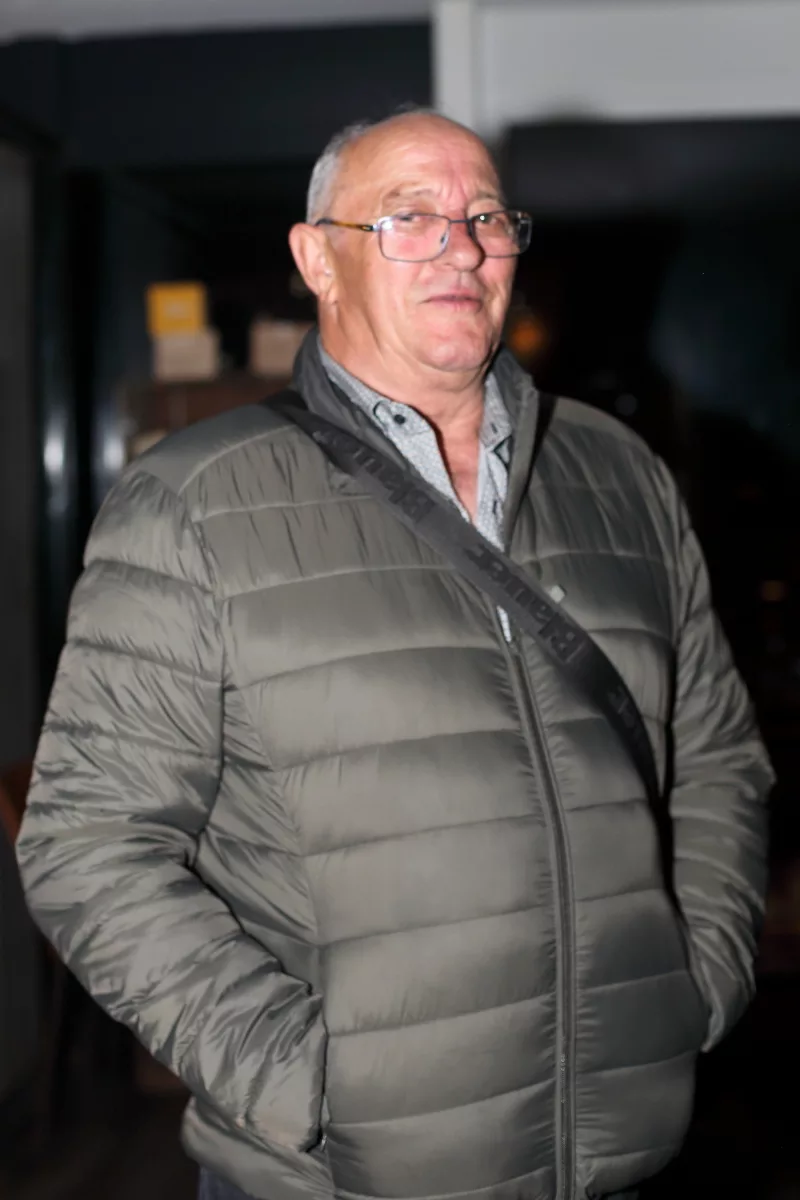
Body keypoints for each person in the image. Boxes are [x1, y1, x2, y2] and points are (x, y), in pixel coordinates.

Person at [17, 110, 772, 1200]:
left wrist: (697, 981)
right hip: (340, 1177)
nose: (460, 248)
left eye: (485, 218)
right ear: (318, 259)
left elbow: (716, 758)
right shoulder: (193, 501)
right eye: (408, 218)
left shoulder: (620, 475)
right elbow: (88, 844)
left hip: (621, 1153)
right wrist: (307, 1086)